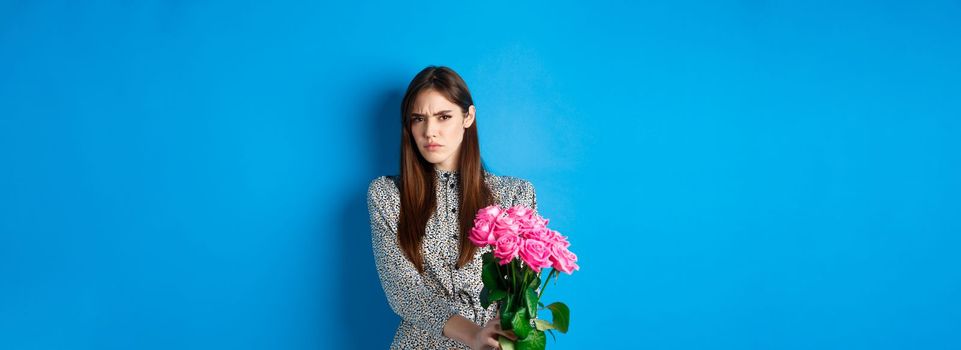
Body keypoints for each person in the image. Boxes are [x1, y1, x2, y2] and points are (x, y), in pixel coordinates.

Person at [367, 66, 539, 349]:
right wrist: (473, 334)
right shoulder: (387, 196)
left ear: (468, 117)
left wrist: (500, 336)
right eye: (418, 119)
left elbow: (521, 291)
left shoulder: (515, 196)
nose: (429, 131)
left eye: (443, 117)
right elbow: (404, 290)